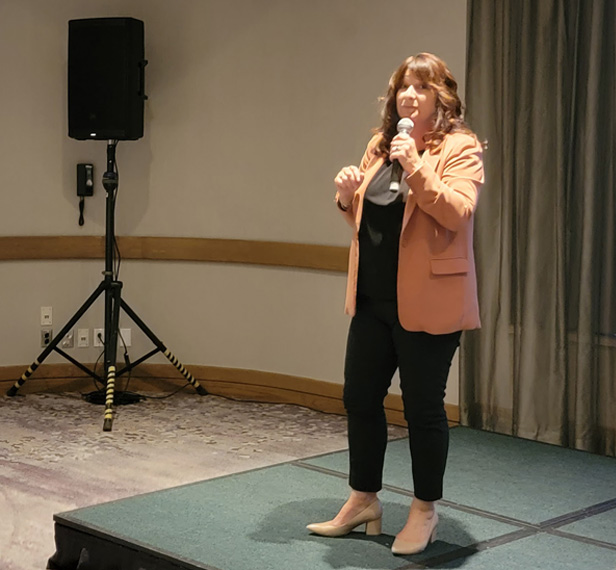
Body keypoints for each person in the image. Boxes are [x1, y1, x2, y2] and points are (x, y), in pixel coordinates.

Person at [306, 52, 484, 555]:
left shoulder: (459, 147)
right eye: (404, 87)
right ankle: (363, 498)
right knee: (360, 399)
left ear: (440, 98)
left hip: (429, 304)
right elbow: (371, 225)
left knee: (423, 409)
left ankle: (424, 509)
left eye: (421, 88)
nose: (409, 95)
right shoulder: (380, 147)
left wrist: (417, 166)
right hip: (372, 300)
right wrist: (346, 198)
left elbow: (457, 213)